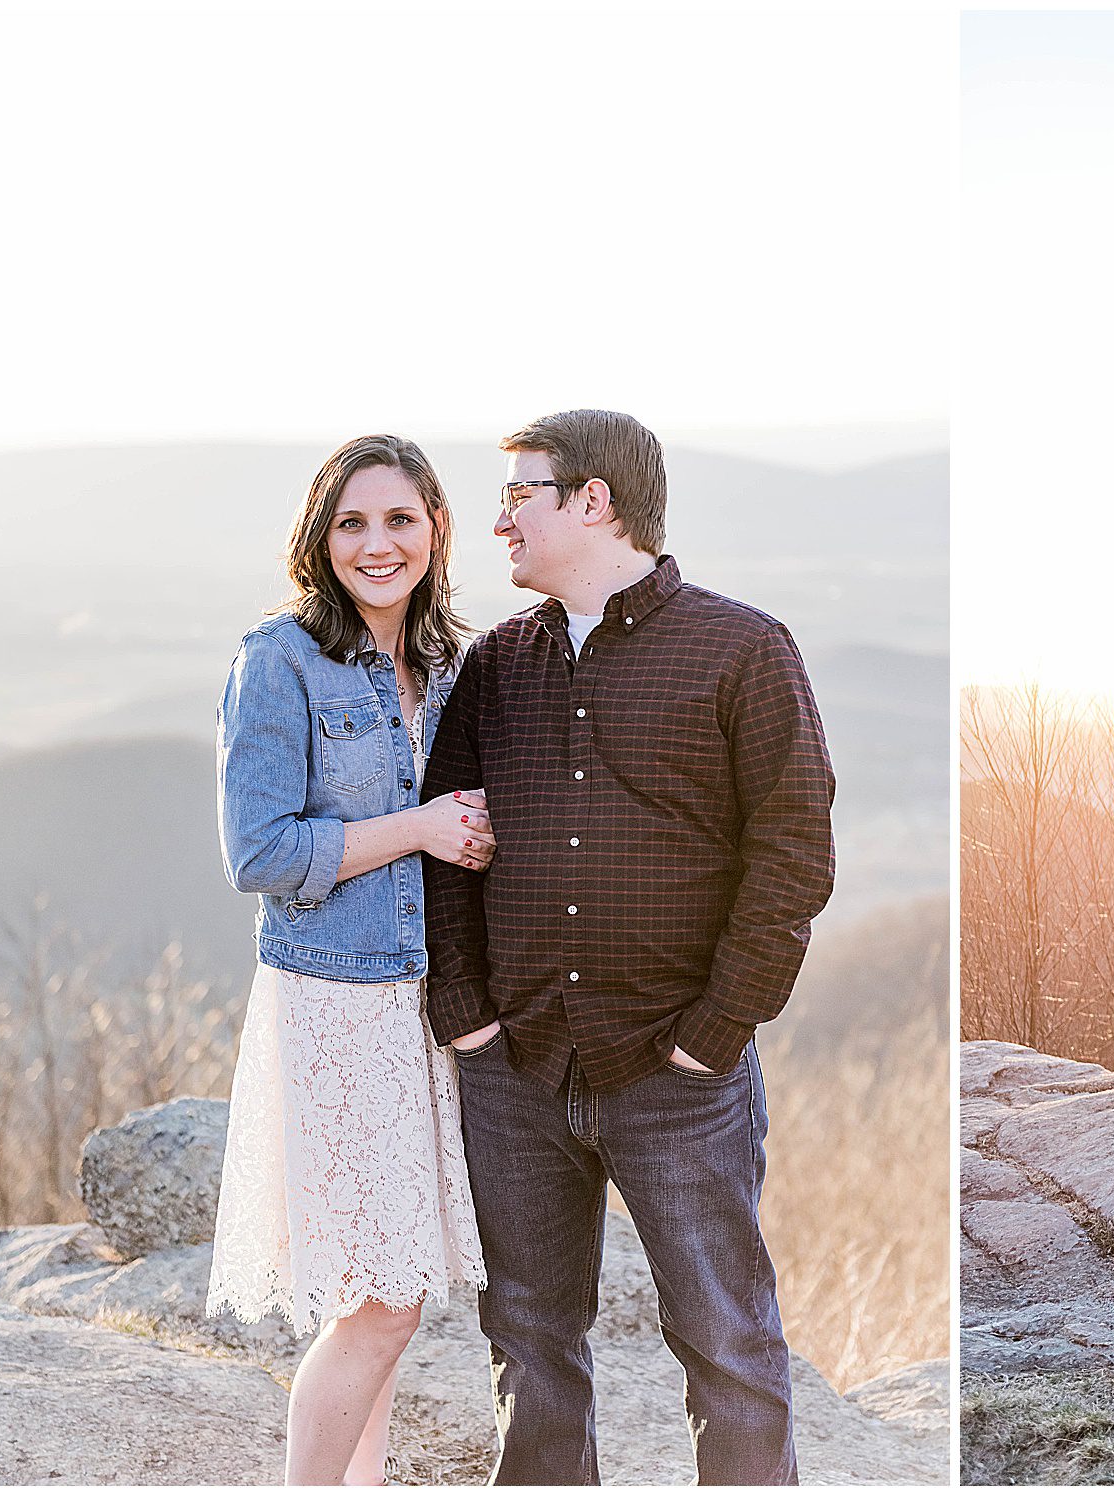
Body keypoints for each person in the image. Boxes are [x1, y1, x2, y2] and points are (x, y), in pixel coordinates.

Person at [422, 409, 835, 1486]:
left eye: (520, 493)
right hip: (515, 1066)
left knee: (727, 1347)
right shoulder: (496, 662)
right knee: (528, 1339)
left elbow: (792, 855)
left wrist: (714, 1031)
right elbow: (448, 840)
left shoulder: (743, 648)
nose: (499, 517)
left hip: (675, 1071)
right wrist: (462, 1011)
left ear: (592, 500)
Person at [207, 434, 494, 1484]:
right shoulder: (277, 659)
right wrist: (417, 827)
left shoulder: (454, 664)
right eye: (352, 522)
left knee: (378, 1290)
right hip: (333, 1003)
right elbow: (261, 851)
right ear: (320, 537)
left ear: (434, 530)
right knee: (384, 1302)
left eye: (400, 520)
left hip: (427, 1004)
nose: (378, 544)